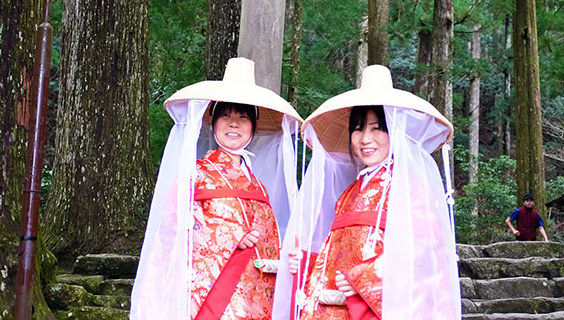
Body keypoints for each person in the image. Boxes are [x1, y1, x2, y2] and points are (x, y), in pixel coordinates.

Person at [274, 64, 461, 320]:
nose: (365, 139)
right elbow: (340, 253)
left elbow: (424, 253)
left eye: (377, 128)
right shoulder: (350, 192)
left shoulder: (410, 186)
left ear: (394, 131)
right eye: (358, 128)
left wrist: (362, 278)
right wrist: (307, 262)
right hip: (343, 307)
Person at [131, 57, 302, 320]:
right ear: (213, 122)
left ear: (253, 127)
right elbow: (170, 232)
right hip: (213, 294)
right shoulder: (195, 174)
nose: (234, 123)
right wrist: (233, 236)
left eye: (243, 117)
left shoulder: (258, 185)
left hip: (257, 294)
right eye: (226, 116)